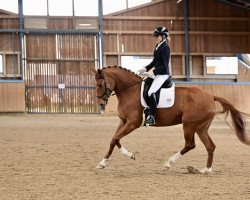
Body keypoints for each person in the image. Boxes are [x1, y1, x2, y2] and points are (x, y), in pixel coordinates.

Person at [138, 26, 171, 125]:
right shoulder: (158, 46)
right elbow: (155, 61)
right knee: (145, 84)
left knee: (151, 91)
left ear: (163, 36)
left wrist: (154, 72)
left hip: (163, 75)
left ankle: (153, 117)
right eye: (155, 36)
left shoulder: (165, 47)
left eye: (157, 36)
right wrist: (146, 68)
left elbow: (164, 65)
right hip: (157, 74)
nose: (156, 38)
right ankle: (148, 109)